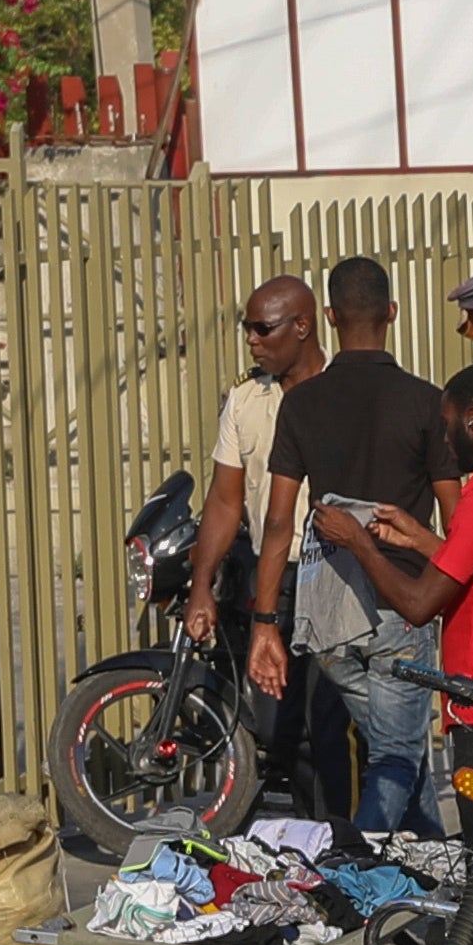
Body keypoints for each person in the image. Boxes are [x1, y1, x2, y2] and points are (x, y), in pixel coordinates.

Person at [246, 257, 457, 836]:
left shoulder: (301, 405)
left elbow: (277, 522)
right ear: (392, 313)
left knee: (400, 752)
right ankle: (348, 873)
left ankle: (435, 894)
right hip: (401, 608)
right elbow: (457, 519)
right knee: (394, 758)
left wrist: (266, 623)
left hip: (328, 618)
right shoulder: (425, 403)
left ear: (331, 316)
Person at [309, 363, 473, 793]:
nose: (445, 439)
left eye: (448, 425)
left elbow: (418, 603)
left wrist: (359, 543)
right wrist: (419, 540)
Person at [182, 274, 328, 804]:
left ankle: (343, 839)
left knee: (333, 727)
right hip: (277, 577)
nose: (251, 340)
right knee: (275, 724)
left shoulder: (341, 391)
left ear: (303, 326)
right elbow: (224, 501)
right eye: (247, 328)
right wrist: (202, 583)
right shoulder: (246, 401)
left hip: (337, 573)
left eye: (262, 329)